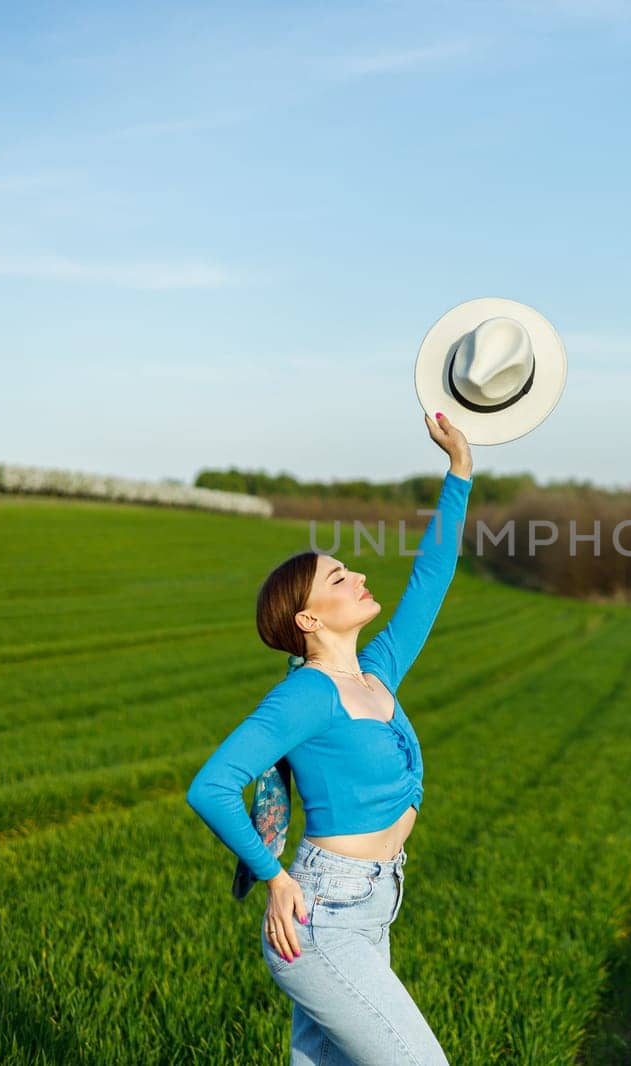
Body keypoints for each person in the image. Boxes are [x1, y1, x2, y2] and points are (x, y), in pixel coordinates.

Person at [187, 410, 472, 1065]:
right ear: (310, 617)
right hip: (325, 916)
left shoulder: (377, 670)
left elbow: (431, 579)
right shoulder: (306, 695)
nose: (360, 577)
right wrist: (276, 881)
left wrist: (458, 471)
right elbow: (213, 786)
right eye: (340, 578)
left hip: (374, 905)